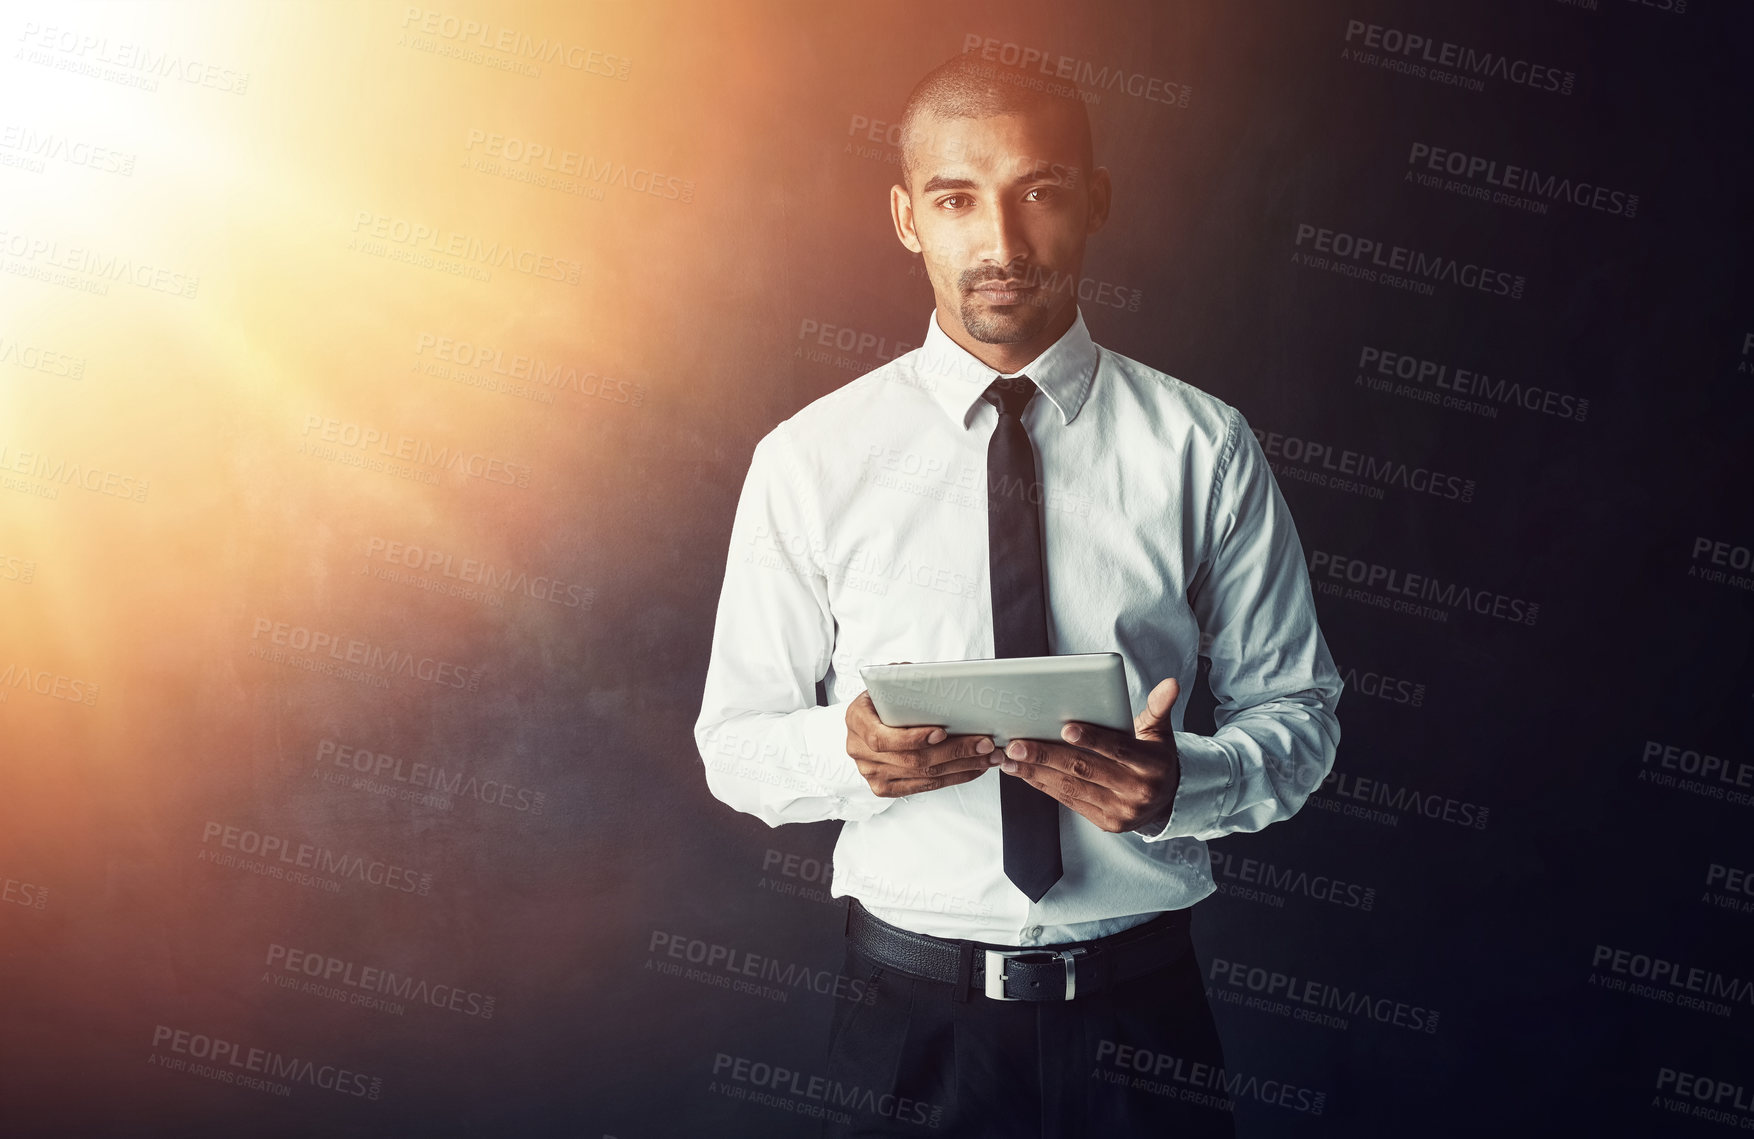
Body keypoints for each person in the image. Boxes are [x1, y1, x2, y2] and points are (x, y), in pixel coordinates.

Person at [694, 51, 1342, 1139]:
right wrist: (843, 753)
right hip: (907, 1027)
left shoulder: (1202, 445)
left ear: (1093, 202)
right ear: (907, 218)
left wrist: (1187, 781)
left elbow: (1301, 717)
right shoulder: (810, 458)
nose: (997, 242)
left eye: (1037, 190)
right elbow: (733, 743)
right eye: (954, 199)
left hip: (1145, 1025)